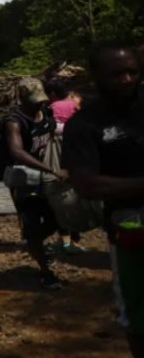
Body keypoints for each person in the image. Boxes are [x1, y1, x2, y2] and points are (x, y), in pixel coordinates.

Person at [63, 44, 144, 356]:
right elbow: (87, 184)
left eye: (132, 72)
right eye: (116, 74)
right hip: (130, 229)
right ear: (96, 76)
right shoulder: (85, 124)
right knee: (137, 314)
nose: (126, 79)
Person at [3, 77, 67, 290]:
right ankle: (45, 272)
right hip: (24, 181)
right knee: (31, 223)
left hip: (46, 179)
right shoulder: (14, 120)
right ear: (22, 98)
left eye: (41, 99)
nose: (39, 104)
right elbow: (17, 151)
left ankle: (33, 242)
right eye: (34, 101)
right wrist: (50, 169)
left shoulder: (46, 113)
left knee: (56, 220)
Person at [46, 77, 86, 254]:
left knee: (58, 199)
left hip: (55, 156)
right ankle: (75, 240)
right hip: (75, 155)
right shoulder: (74, 106)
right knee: (76, 197)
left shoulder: (50, 108)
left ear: (52, 94)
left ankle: (65, 240)